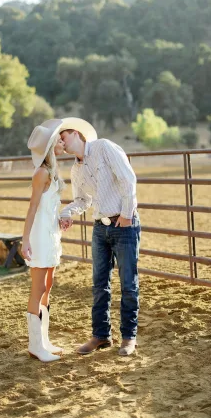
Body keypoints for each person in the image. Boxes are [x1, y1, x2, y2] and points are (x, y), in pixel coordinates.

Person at [59, 119, 140, 357]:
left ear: (76, 133)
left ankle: (128, 337)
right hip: (100, 227)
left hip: (123, 223)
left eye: (63, 136)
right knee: (99, 285)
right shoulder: (75, 169)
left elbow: (128, 179)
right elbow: (83, 200)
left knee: (128, 284)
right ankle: (101, 335)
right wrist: (67, 212)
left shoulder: (104, 147)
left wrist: (126, 215)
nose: (60, 142)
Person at [22, 119, 66, 363]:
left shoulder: (52, 171)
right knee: (38, 288)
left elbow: (50, 208)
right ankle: (34, 346)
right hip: (39, 235)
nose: (62, 141)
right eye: (59, 139)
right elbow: (33, 208)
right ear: (50, 145)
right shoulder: (41, 173)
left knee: (47, 287)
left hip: (51, 234)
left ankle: (44, 341)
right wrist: (25, 239)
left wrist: (61, 221)